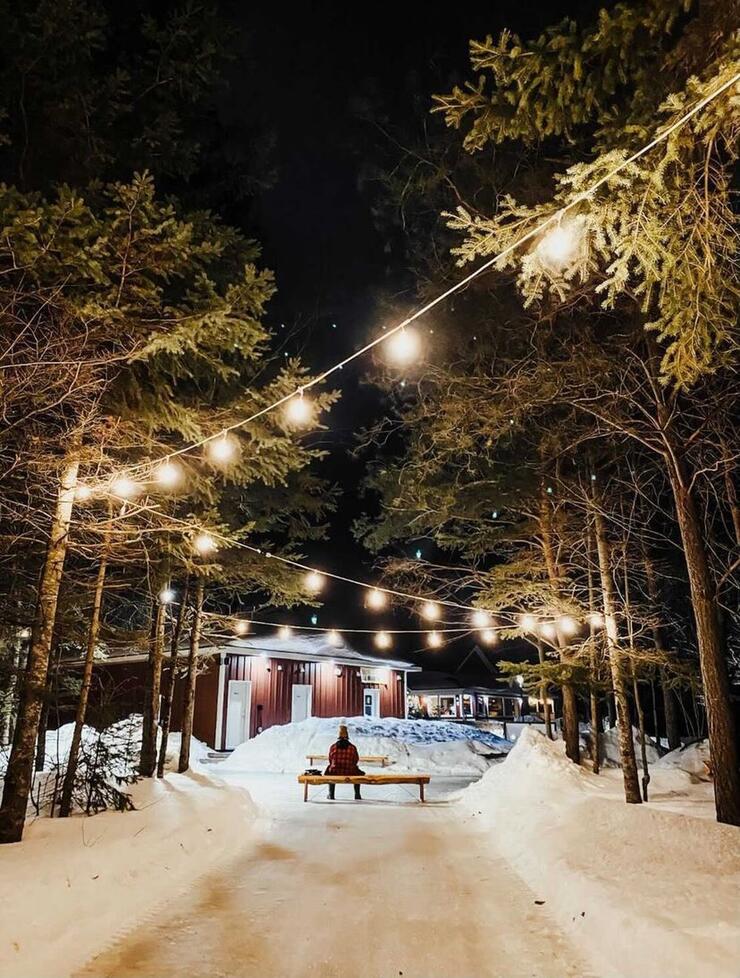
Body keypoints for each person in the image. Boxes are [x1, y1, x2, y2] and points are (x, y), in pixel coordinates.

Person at [324, 723, 363, 800]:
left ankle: (331, 794)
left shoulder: (333, 747)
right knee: (358, 772)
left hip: (335, 772)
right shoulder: (352, 747)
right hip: (350, 771)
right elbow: (356, 760)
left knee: (330, 770)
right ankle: (357, 794)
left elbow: (330, 759)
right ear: (347, 737)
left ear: (339, 737)